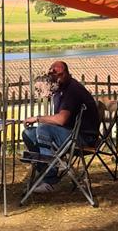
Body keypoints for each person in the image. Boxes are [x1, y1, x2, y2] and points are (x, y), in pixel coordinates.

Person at [22, 60, 100, 192]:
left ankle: (49, 179)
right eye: (51, 75)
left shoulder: (72, 90)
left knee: (43, 128)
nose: (53, 78)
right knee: (28, 133)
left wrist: (37, 118)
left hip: (84, 138)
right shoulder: (60, 89)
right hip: (70, 133)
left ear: (65, 74)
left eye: (56, 75)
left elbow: (61, 119)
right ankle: (46, 170)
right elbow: (59, 120)